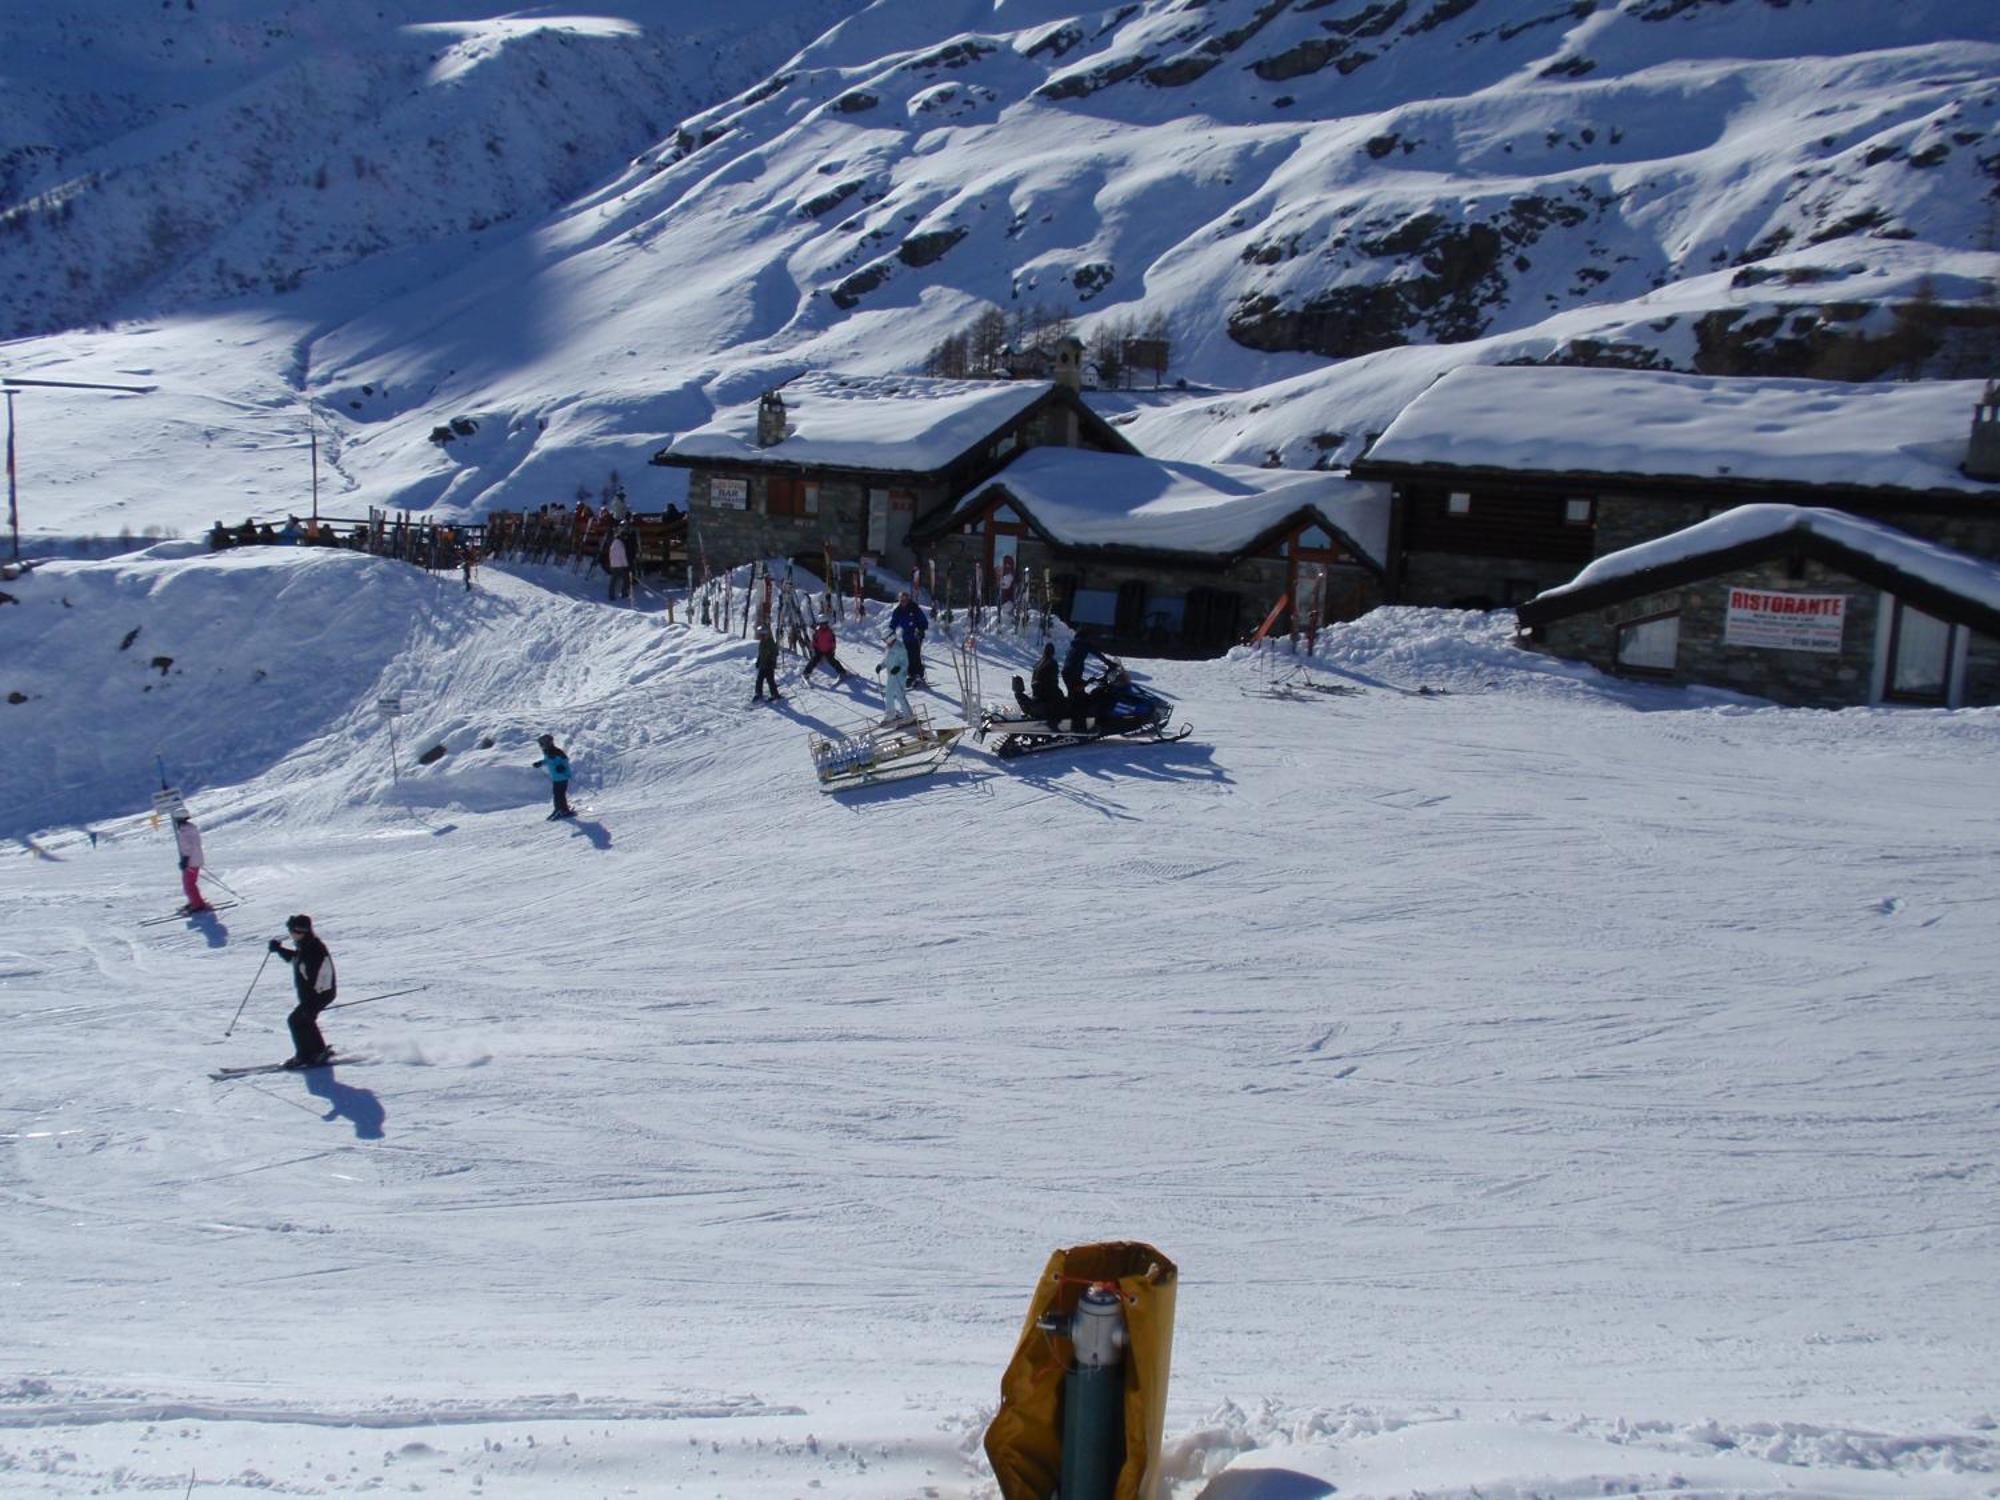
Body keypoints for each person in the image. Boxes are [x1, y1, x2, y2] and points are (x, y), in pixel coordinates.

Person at [269, 914, 337, 1069]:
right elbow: (298, 960)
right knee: (304, 1020)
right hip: (315, 994)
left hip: (319, 993)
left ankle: (304, 1056)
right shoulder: (306, 944)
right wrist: (279, 950)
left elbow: (319, 972)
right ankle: (318, 1052)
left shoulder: (313, 948)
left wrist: (313, 998)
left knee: (295, 1020)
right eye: (292, 931)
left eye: (294, 931)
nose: (292, 934)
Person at [172, 812, 213, 913]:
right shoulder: (191, 828)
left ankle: (197, 904)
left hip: (191, 860)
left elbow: (187, 847)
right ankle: (195, 900)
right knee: (191, 882)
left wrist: (185, 860)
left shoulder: (184, 831)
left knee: (189, 884)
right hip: (196, 858)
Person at [888, 590, 929, 687]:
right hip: (906, 636)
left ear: (908, 599)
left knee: (915, 655)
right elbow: (894, 622)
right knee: (908, 656)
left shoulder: (914, 608)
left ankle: (918, 675)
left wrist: (920, 629)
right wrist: (890, 632)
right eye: (901, 600)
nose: (903, 602)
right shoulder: (898, 610)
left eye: (905, 600)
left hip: (916, 635)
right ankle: (911, 675)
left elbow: (923, 621)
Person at [534, 733, 574, 819]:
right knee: (557, 794)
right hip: (556, 777)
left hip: (562, 776)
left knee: (559, 794)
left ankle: (562, 810)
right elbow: (547, 760)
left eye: (542, 744)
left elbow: (565, 761)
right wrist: (540, 763)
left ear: (548, 743)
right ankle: (560, 809)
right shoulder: (547, 752)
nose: (541, 746)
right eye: (540, 744)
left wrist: (562, 767)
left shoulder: (557, 752)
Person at [877, 631, 912, 725]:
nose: (884, 642)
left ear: (890, 638)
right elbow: (886, 660)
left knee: (900, 695)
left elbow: (905, 662)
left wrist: (898, 668)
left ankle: (909, 716)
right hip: (891, 676)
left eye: (885, 640)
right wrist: (881, 666)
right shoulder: (888, 648)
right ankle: (890, 715)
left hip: (899, 676)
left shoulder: (899, 647)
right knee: (888, 695)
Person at [1062, 630, 1095, 731]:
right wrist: (1109, 663)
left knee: (1081, 696)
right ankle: (1079, 727)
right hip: (1072, 676)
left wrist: (1086, 681)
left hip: (1070, 675)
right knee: (1081, 700)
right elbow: (1096, 652)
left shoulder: (1074, 646)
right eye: (1088, 638)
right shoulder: (1081, 646)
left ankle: (1081, 723)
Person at [803, 619, 849, 685]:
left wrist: (833, 649)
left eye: (825, 623)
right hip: (819, 650)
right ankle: (806, 673)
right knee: (813, 661)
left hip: (828, 650)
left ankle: (842, 672)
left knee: (832, 661)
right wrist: (814, 648)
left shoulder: (830, 631)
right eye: (822, 624)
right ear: (820, 624)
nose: (824, 625)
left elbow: (833, 641)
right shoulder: (817, 631)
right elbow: (814, 641)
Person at [753, 625, 783, 702]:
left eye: (763, 635)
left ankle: (775, 695)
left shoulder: (770, 643)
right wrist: (758, 661)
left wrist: (771, 661)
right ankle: (758, 694)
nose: (761, 637)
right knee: (759, 680)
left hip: (769, 665)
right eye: (761, 635)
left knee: (770, 680)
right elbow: (761, 654)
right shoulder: (762, 643)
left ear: (766, 635)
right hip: (762, 665)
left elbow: (775, 653)